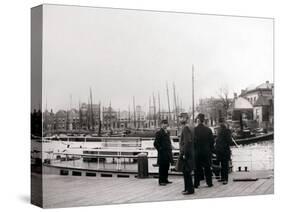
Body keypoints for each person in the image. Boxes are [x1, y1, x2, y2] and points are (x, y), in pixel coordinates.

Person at [194, 113, 214, 188]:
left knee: (197, 168)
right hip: (206, 151)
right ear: (204, 120)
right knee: (207, 168)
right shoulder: (208, 130)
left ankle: (196, 183)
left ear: (198, 120)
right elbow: (212, 142)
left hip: (198, 152)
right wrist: (210, 150)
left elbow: (193, 142)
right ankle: (209, 183)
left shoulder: (194, 130)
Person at [177, 113, 195, 195]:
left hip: (186, 153)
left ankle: (189, 189)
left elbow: (187, 141)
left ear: (185, 118)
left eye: (181, 118)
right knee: (186, 171)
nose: (180, 119)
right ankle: (187, 188)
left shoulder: (185, 128)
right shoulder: (190, 127)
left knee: (186, 171)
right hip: (190, 152)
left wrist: (184, 153)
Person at [154, 119, 174, 186]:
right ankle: (161, 181)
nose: (165, 125)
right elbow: (155, 143)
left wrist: (171, 146)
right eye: (164, 123)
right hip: (162, 153)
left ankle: (165, 179)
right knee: (162, 167)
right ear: (161, 124)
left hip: (168, 152)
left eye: (166, 123)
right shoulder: (159, 133)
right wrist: (160, 149)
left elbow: (168, 141)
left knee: (167, 166)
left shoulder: (167, 132)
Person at [215, 117, 232, 185]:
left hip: (221, 150)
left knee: (223, 164)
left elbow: (219, 140)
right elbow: (229, 141)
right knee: (224, 165)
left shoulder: (219, 130)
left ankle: (224, 179)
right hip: (224, 150)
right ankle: (224, 178)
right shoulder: (227, 130)